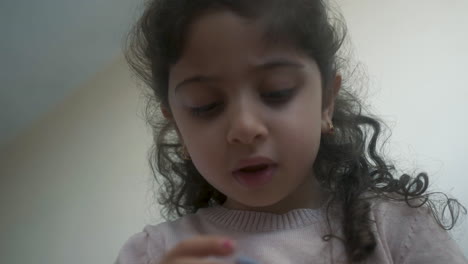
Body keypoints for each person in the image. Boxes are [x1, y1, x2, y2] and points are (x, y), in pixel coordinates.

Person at [116, 0, 467, 263]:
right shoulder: (152, 254)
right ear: (178, 126)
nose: (245, 128)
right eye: (205, 105)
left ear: (326, 102)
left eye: (277, 92)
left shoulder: (396, 226)